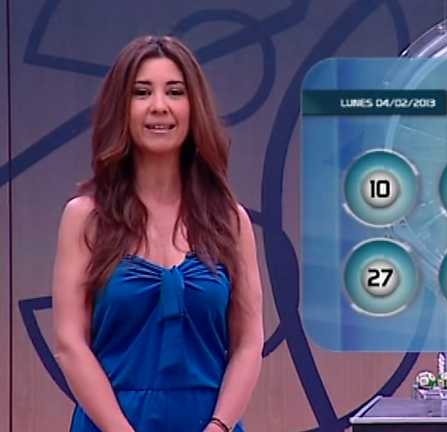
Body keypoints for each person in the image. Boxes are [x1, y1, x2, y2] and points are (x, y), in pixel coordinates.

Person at [51, 35, 264, 432]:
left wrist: (218, 426)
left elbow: (248, 345)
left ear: (193, 107)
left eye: (175, 92)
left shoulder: (230, 223)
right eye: (142, 92)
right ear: (122, 107)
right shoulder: (85, 218)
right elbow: (69, 344)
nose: (159, 106)